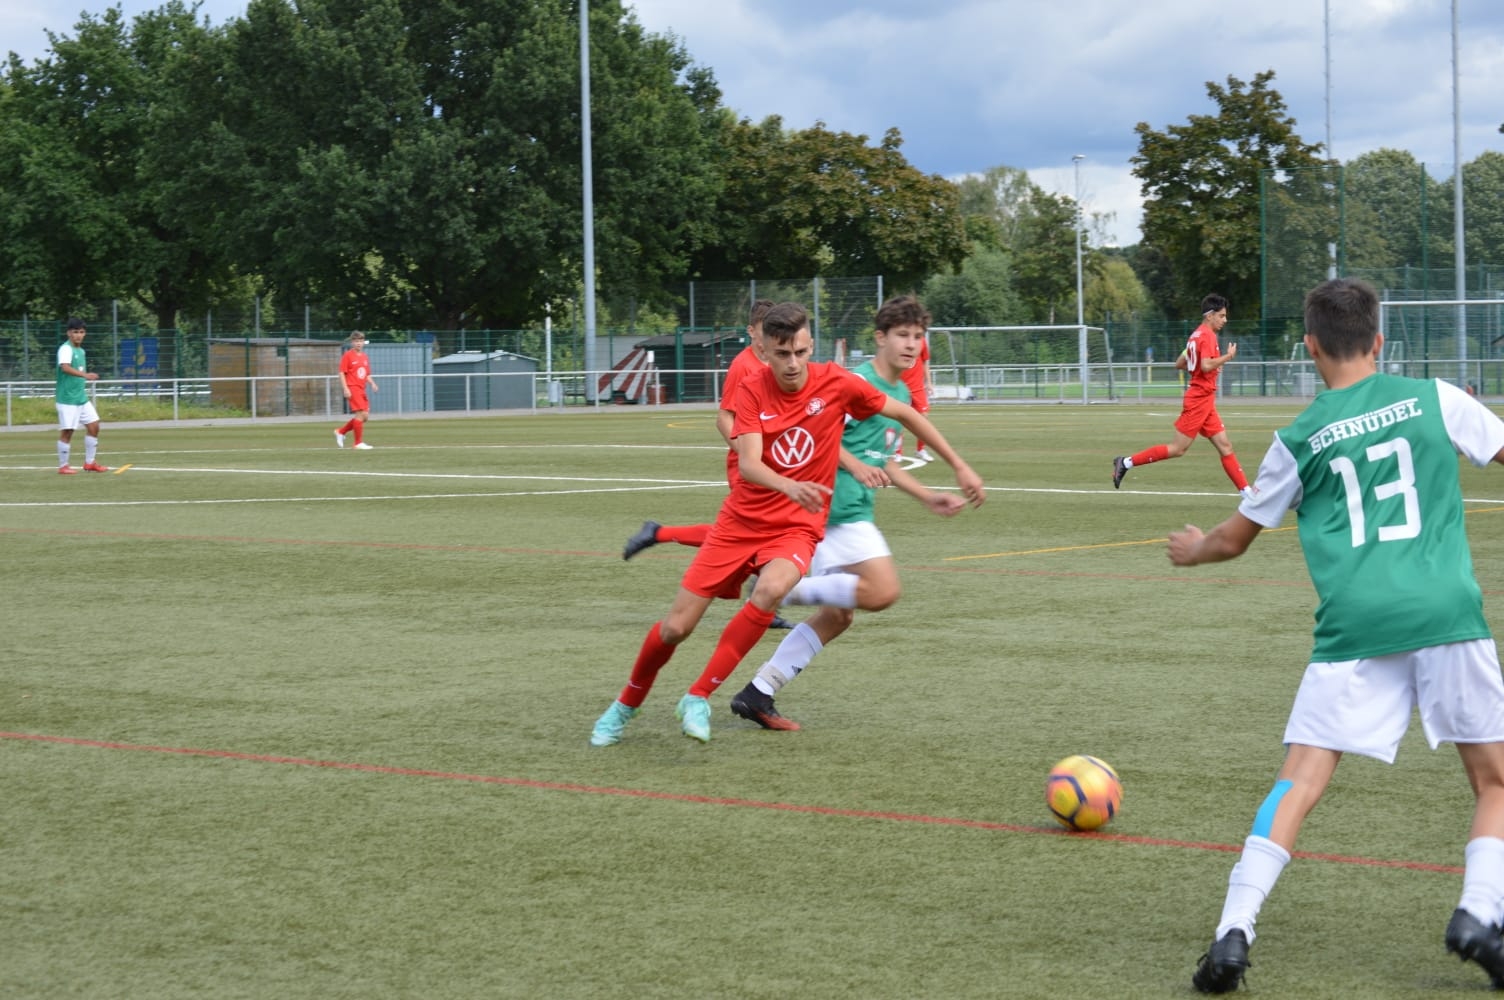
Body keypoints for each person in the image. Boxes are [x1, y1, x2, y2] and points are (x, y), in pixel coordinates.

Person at [1167, 277, 1504, 993]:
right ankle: (1478, 913)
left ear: (1311, 347)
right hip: (1446, 613)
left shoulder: (1297, 439)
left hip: (1354, 627)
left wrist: (1193, 549)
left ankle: (1233, 931)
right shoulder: (1437, 399)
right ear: (1379, 341)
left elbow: (1233, 540)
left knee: (1299, 780)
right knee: (1495, 780)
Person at [590, 301, 984, 747]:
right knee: (675, 629)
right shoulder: (752, 388)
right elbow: (750, 463)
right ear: (765, 351)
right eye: (782, 354)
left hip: (797, 527)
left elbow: (907, 415)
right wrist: (790, 484)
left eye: (800, 352)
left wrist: (958, 466)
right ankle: (625, 704)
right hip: (741, 522)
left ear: (810, 345)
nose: (793, 363)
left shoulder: (836, 381)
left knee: (773, 590)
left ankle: (698, 696)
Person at [727, 295, 975, 731]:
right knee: (882, 592)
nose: (912, 345)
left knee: (838, 615)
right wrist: (853, 463)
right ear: (880, 338)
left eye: (918, 336)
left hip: (851, 509)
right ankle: (785, 590)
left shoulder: (899, 393)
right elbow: (813, 432)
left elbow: (886, 462)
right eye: (902, 335)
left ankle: (758, 692)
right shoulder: (853, 381)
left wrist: (925, 495)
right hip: (828, 508)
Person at [622, 299, 794, 628]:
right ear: (752, 332)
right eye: (764, 332)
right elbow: (723, 419)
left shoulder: (775, 362)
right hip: (750, 468)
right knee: (750, 535)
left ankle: (658, 533)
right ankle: (761, 602)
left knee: (756, 533)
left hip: (771, 464)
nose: (770, 339)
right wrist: (747, 454)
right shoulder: (744, 366)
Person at [1112, 294, 1250, 496]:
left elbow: (1180, 363)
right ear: (1210, 315)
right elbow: (1206, 365)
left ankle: (1247, 493)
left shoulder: (1196, 335)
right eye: (1221, 316)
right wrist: (1227, 356)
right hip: (1199, 399)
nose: (1225, 320)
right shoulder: (1207, 335)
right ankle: (1125, 462)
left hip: (1205, 399)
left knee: (1225, 446)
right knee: (1178, 449)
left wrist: (1200, 366)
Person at [55, 317, 109, 474]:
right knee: (68, 432)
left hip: (80, 398)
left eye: (81, 332)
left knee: (94, 426)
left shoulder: (81, 351)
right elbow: (65, 368)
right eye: (75, 332)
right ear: (69, 333)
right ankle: (63, 466)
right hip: (67, 399)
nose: (78, 335)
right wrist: (85, 375)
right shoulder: (66, 349)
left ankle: (90, 463)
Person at [334, 331, 378, 450]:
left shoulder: (364, 357)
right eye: (356, 341)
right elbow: (342, 373)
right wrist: (345, 388)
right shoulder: (348, 355)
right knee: (361, 414)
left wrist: (372, 383)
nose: (358, 343)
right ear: (352, 342)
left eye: (360, 341)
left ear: (363, 342)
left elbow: (366, 374)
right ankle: (358, 443)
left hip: (361, 389)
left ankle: (341, 432)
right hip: (352, 388)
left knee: (365, 417)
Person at [898, 330, 934, 462]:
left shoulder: (922, 341)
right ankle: (897, 453)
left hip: (918, 388)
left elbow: (925, 362)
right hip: (900, 387)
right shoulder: (898, 340)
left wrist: (928, 382)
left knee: (923, 418)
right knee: (899, 420)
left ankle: (920, 450)